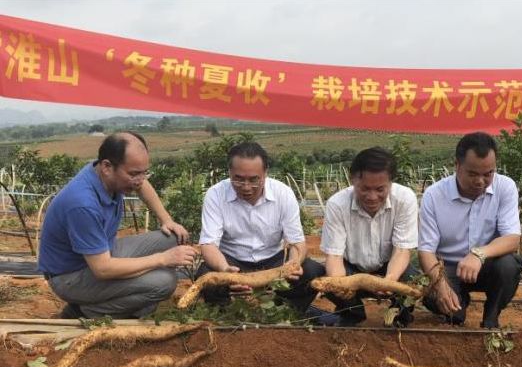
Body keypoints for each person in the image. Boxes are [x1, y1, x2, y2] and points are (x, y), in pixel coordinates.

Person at [39, 132, 197, 319]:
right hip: (71, 276)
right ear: (107, 167)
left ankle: (129, 303)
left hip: (101, 253)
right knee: (164, 282)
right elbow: (103, 269)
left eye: (144, 172)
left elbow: (142, 184)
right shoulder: (82, 204)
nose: (140, 180)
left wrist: (167, 220)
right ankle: (83, 311)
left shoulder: (104, 173)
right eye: (133, 174)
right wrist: (162, 259)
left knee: (172, 237)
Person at [197, 141, 322, 314]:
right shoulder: (216, 194)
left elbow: (297, 242)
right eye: (238, 179)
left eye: (254, 180)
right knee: (206, 275)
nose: (246, 187)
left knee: (311, 271)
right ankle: (226, 314)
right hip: (232, 260)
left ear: (265, 174)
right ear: (229, 173)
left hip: (273, 260)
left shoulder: (283, 193)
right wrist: (226, 271)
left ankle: (286, 312)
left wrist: (292, 264)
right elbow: (208, 244)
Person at [418, 132, 522, 328]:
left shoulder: (505, 187)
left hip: (486, 267)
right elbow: (426, 250)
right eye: (473, 174)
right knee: (449, 311)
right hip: (448, 269)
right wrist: (440, 285)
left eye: (488, 174)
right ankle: (458, 304)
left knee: (509, 265)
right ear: (457, 166)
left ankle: (491, 317)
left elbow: (512, 238)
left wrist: (479, 255)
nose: (480, 181)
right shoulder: (434, 195)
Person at [320, 147, 418, 326]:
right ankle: (352, 313)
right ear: (352, 180)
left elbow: (402, 250)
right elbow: (334, 256)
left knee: (413, 279)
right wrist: (340, 284)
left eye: (380, 189)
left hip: (389, 266)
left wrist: (389, 282)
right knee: (328, 280)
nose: (372, 197)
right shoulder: (337, 204)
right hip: (351, 268)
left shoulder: (405, 199)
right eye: (364, 188)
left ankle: (399, 314)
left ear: (391, 182)